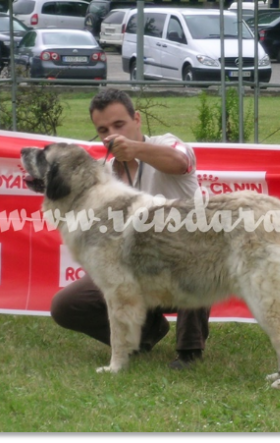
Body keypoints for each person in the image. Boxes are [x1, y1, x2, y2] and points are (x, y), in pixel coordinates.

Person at [50, 88, 210, 369]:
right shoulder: (105, 173)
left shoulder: (167, 144)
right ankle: (147, 333)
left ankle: (189, 350)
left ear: (137, 119)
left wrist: (136, 150)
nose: (111, 135)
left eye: (119, 124)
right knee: (66, 305)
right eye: (103, 129)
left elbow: (181, 162)